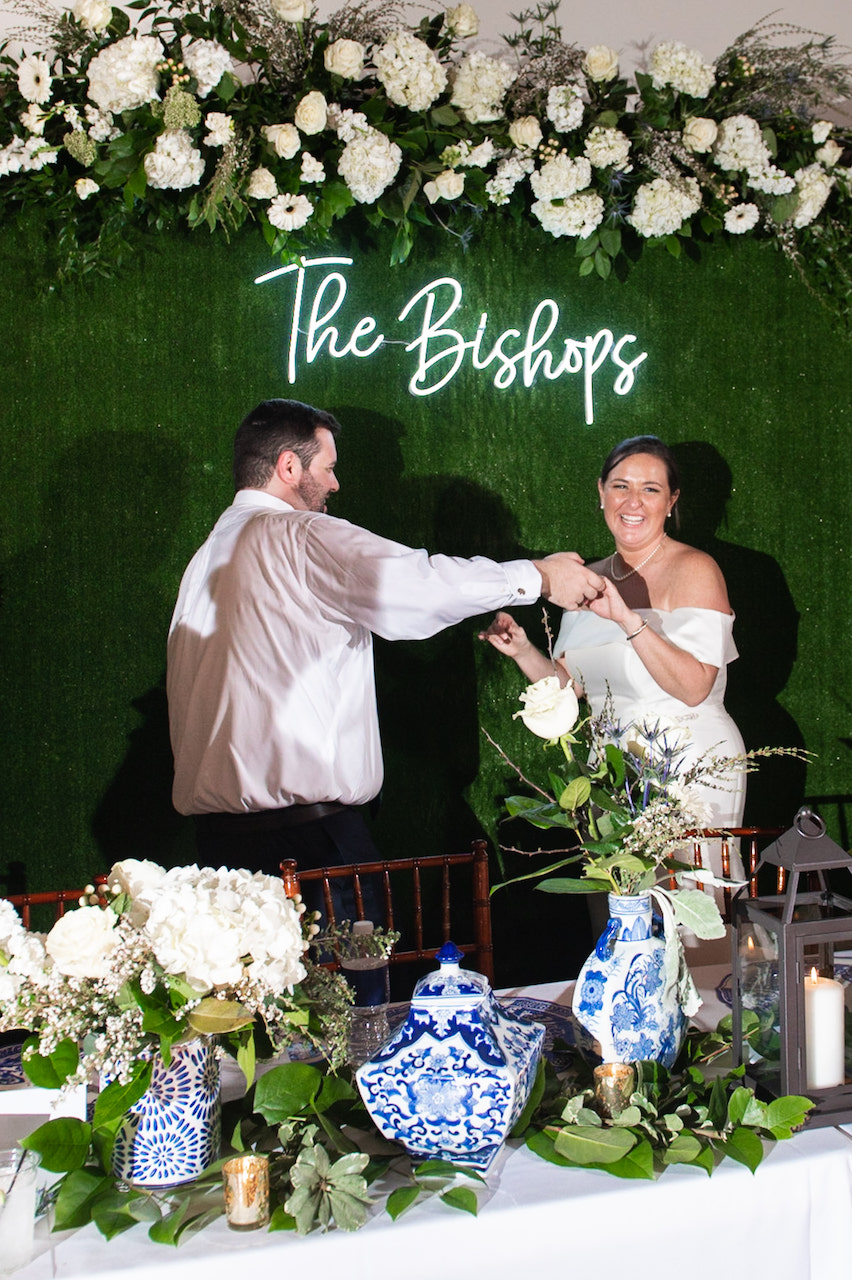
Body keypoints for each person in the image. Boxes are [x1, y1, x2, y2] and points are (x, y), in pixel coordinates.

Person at [166, 398, 606, 891]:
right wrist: (539, 577)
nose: (335, 484)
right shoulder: (298, 534)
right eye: (329, 468)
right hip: (309, 850)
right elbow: (416, 586)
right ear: (289, 466)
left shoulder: (205, 557)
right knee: (351, 972)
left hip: (219, 852)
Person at [480, 435, 747, 944]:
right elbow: (570, 688)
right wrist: (523, 652)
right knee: (624, 923)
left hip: (689, 764)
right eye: (620, 486)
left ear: (672, 502)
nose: (632, 501)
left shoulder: (695, 569)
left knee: (687, 923)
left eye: (650, 489)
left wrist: (626, 617)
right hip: (612, 770)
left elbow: (694, 687)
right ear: (600, 492)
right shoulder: (585, 577)